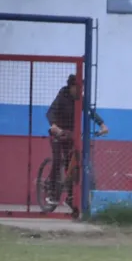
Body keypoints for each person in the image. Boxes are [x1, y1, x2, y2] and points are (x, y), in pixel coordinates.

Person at [45, 74, 109, 210]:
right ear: (71, 86)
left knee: (72, 164)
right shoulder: (62, 95)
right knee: (57, 160)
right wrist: (54, 125)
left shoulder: (81, 99)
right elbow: (50, 112)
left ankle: (70, 197)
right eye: (78, 88)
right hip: (58, 133)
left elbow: (90, 112)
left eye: (83, 88)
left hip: (71, 135)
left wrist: (102, 125)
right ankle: (51, 190)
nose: (81, 91)